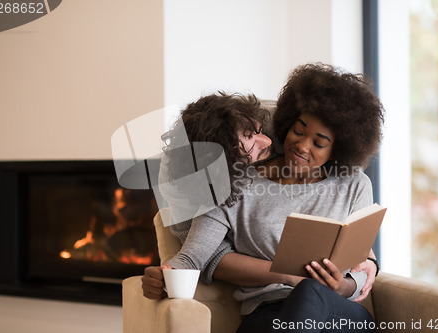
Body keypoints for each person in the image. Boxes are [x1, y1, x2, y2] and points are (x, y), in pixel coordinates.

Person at [159, 63, 385, 332]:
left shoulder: (354, 184)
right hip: (268, 314)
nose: (302, 146)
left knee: (310, 291)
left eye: (319, 143)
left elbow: (361, 266)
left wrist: (344, 285)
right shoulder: (232, 185)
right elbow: (192, 256)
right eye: (298, 132)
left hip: (338, 313)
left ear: (339, 148)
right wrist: (165, 274)